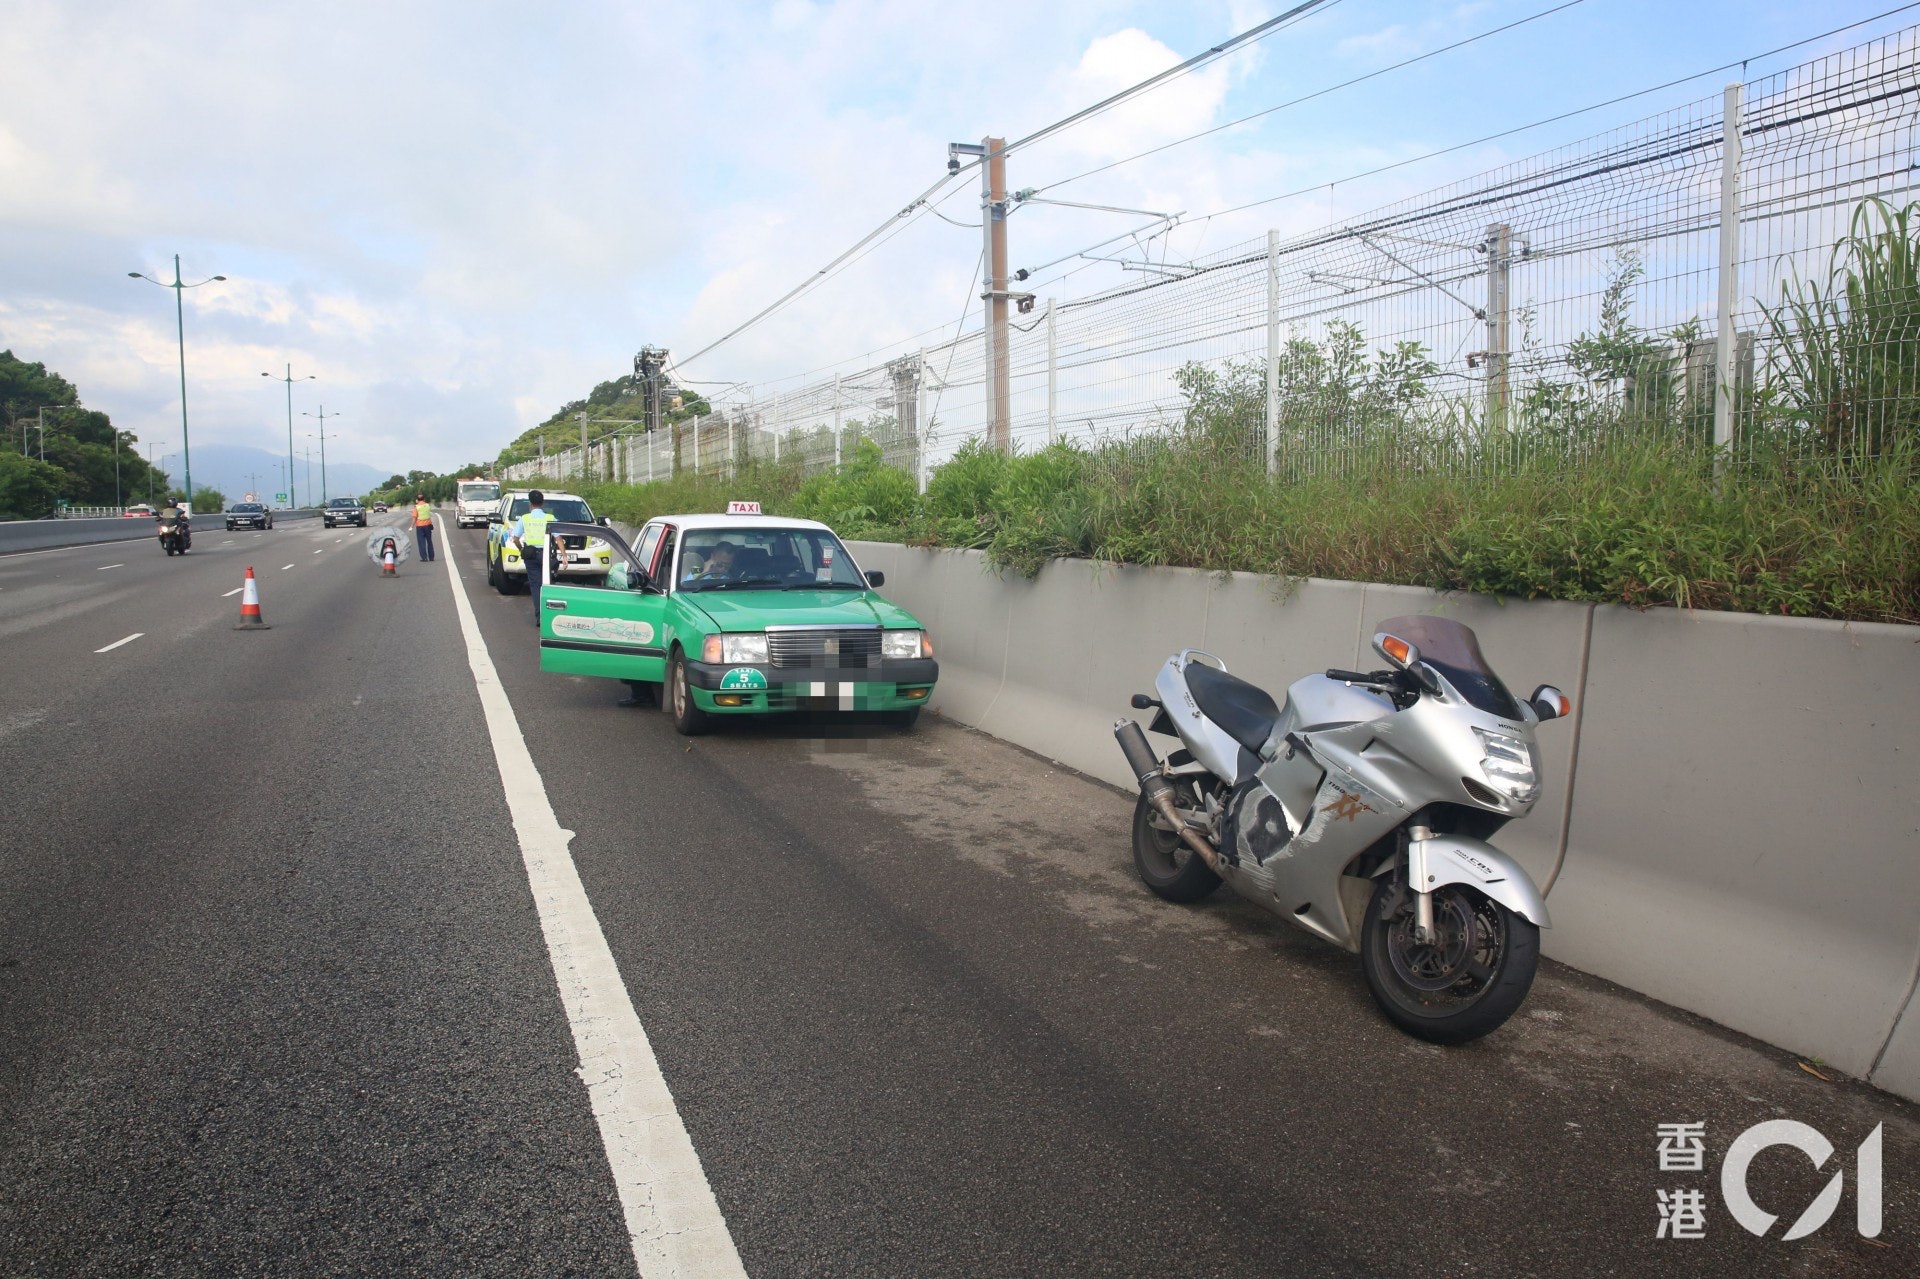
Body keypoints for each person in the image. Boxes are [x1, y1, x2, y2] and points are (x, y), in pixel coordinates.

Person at [507, 489, 555, 627]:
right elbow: (558, 538)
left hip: (531, 555)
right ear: (542, 502)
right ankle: (550, 615)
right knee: (548, 584)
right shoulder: (550, 518)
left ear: (530, 503)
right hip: (546, 555)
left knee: (535, 586)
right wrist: (563, 555)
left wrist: (522, 550)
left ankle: (540, 616)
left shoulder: (525, 518)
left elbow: (515, 539)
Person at [412, 494, 436, 562]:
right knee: (429, 541)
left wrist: (411, 526)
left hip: (420, 527)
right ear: (424, 499)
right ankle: (431, 557)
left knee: (421, 542)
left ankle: (424, 558)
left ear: (417, 500)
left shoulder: (416, 507)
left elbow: (414, 518)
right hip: (428, 525)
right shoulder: (427, 505)